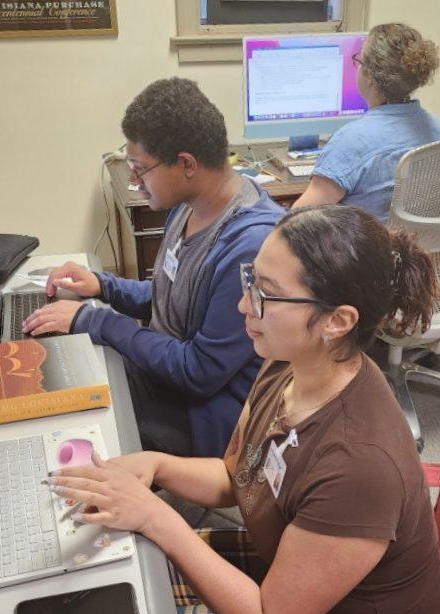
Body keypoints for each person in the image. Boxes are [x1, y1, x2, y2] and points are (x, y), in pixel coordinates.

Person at [49, 205, 440, 614]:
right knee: (129, 581)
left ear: (338, 320)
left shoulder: (359, 462)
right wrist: (157, 467)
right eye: (249, 281)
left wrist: (158, 516)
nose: (244, 306)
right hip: (291, 571)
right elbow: (238, 476)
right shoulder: (287, 361)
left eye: (265, 292)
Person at [23, 78, 284, 458]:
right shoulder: (189, 207)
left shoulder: (249, 248)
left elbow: (199, 371)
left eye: (140, 168)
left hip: (206, 414)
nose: (133, 180)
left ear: (186, 164)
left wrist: (94, 321)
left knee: (66, 414)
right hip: (172, 379)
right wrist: (103, 286)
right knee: (61, 371)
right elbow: (175, 298)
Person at [293, 23, 440, 224]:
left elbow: (296, 220)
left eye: (359, 60)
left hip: (369, 253)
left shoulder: (352, 140)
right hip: (419, 252)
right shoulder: (438, 130)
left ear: (371, 78)